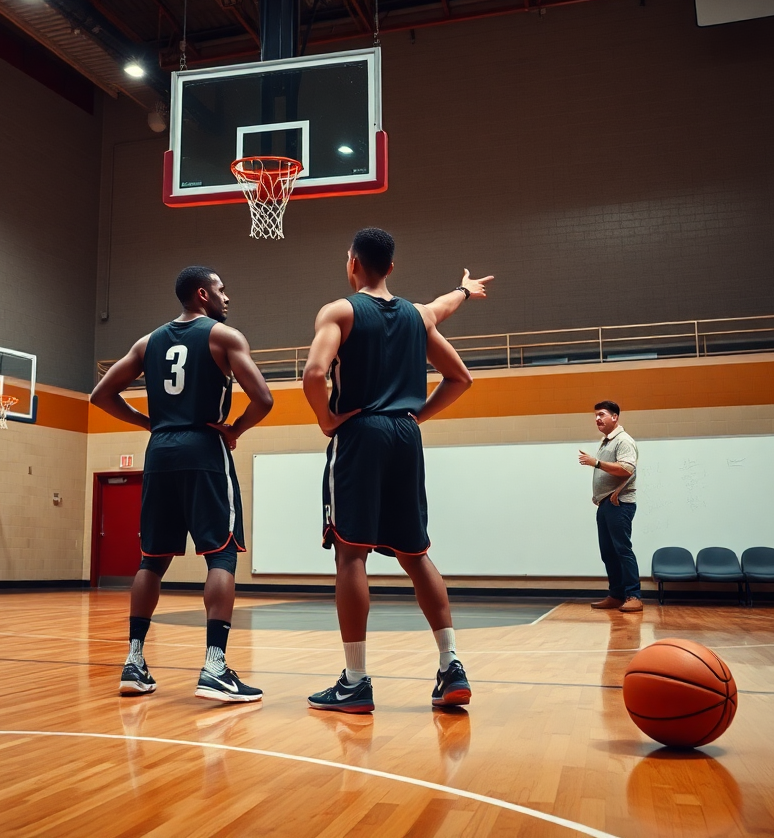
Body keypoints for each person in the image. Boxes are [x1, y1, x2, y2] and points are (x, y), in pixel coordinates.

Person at [302, 227, 493, 713]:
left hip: (360, 433)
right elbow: (460, 376)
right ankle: (451, 666)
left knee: (351, 556)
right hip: (406, 436)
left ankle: (356, 680)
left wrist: (327, 420)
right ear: (391, 267)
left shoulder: (339, 311)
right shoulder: (417, 316)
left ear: (352, 264)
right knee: (416, 553)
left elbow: (313, 374)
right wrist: (466, 291)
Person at [90, 266, 274, 703]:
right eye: (220, 290)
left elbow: (100, 395)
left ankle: (134, 662)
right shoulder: (224, 338)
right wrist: (235, 430)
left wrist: (146, 422)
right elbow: (264, 398)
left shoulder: (146, 342)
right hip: (204, 446)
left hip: (160, 451)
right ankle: (214, 667)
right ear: (201, 294)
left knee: (151, 559)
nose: (227, 298)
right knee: (221, 555)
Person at [578, 401, 641, 612]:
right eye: (596, 415)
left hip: (619, 504)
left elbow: (627, 469)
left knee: (622, 550)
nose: (597, 418)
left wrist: (596, 463)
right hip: (606, 503)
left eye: (602, 414)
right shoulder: (606, 441)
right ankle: (616, 595)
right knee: (608, 552)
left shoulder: (623, 441)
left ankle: (634, 596)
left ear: (615, 417)